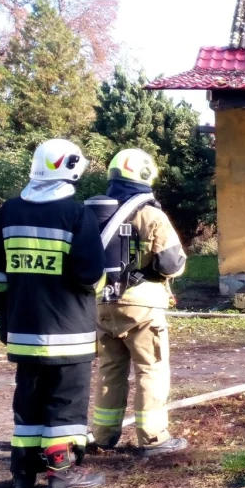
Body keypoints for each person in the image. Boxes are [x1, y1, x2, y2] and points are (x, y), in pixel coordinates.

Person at [0, 139, 107, 488]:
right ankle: (60, 474)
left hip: (22, 330)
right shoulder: (77, 215)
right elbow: (90, 275)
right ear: (72, 168)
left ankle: (23, 473)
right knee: (65, 401)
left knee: (28, 400)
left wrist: (5, 321)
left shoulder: (7, 213)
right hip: (69, 333)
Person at [85, 149, 188, 453]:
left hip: (101, 304)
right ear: (145, 174)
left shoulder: (93, 212)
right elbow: (171, 263)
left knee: (109, 371)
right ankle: (154, 438)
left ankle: (103, 436)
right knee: (150, 369)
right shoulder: (149, 213)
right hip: (142, 305)